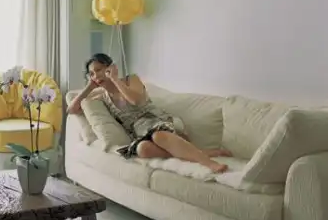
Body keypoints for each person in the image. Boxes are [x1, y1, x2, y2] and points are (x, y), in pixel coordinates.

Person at [67, 53, 230, 173]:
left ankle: (209, 163)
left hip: (158, 122)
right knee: (142, 149)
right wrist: (89, 86)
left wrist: (115, 80)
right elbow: (72, 109)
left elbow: (135, 100)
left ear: (110, 68)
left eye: (99, 70)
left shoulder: (131, 80)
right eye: (91, 73)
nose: (96, 75)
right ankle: (199, 152)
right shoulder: (101, 95)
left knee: (158, 136)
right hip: (141, 133)